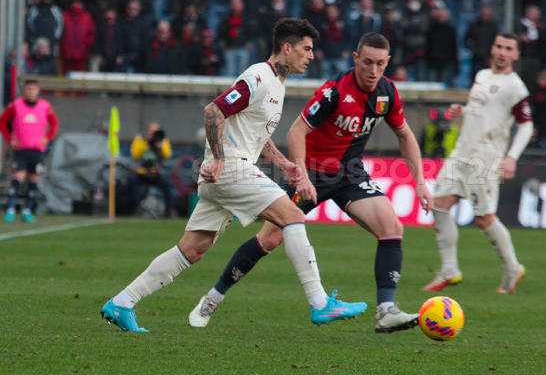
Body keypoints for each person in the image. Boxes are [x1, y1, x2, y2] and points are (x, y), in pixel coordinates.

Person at [101, 19, 367, 333]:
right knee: (292, 216)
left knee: (194, 249)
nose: (311, 56)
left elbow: (253, 133)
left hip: (226, 174)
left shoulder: (276, 84)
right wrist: (219, 159)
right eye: (306, 49)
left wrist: (282, 163)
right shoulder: (258, 76)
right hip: (231, 171)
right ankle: (320, 303)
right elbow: (214, 111)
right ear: (287, 47)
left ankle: (122, 302)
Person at [188, 32, 434, 334]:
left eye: (380, 64)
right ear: (355, 59)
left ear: (388, 63)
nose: (373, 71)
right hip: (313, 172)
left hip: (350, 173)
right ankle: (213, 298)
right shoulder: (333, 91)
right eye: (367, 62)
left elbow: (406, 135)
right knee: (269, 239)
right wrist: (301, 175)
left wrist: (420, 182)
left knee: (392, 228)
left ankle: (386, 311)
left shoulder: (387, 93)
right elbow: (296, 131)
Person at [424, 33, 533, 294]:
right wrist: (461, 113)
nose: (502, 52)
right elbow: (480, 113)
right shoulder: (482, 75)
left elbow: (527, 126)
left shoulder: (515, 87)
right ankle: (449, 269)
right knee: (438, 206)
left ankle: (512, 268)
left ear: (516, 55)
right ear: (492, 48)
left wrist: (511, 157)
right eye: (498, 46)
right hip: (461, 151)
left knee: (484, 219)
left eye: (508, 48)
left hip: (484, 157)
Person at [0, 80, 60, 222]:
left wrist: (47, 137)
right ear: (24, 90)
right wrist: (10, 139)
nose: (31, 91)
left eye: (33, 89)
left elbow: (55, 123)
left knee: (34, 181)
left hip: (37, 150)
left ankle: (27, 210)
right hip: (21, 149)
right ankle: (11, 210)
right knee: (17, 179)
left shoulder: (45, 106)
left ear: (38, 90)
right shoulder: (15, 105)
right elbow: (2, 122)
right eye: (28, 89)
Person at [129, 122, 174, 218]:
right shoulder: (140, 138)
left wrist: (159, 146)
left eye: (156, 131)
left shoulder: (162, 140)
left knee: (167, 184)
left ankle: (168, 210)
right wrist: (146, 142)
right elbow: (135, 154)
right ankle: (136, 205)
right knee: (131, 180)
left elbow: (168, 155)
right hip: (141, 173)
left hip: (156, 174)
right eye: (152, 131)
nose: (154, 134)